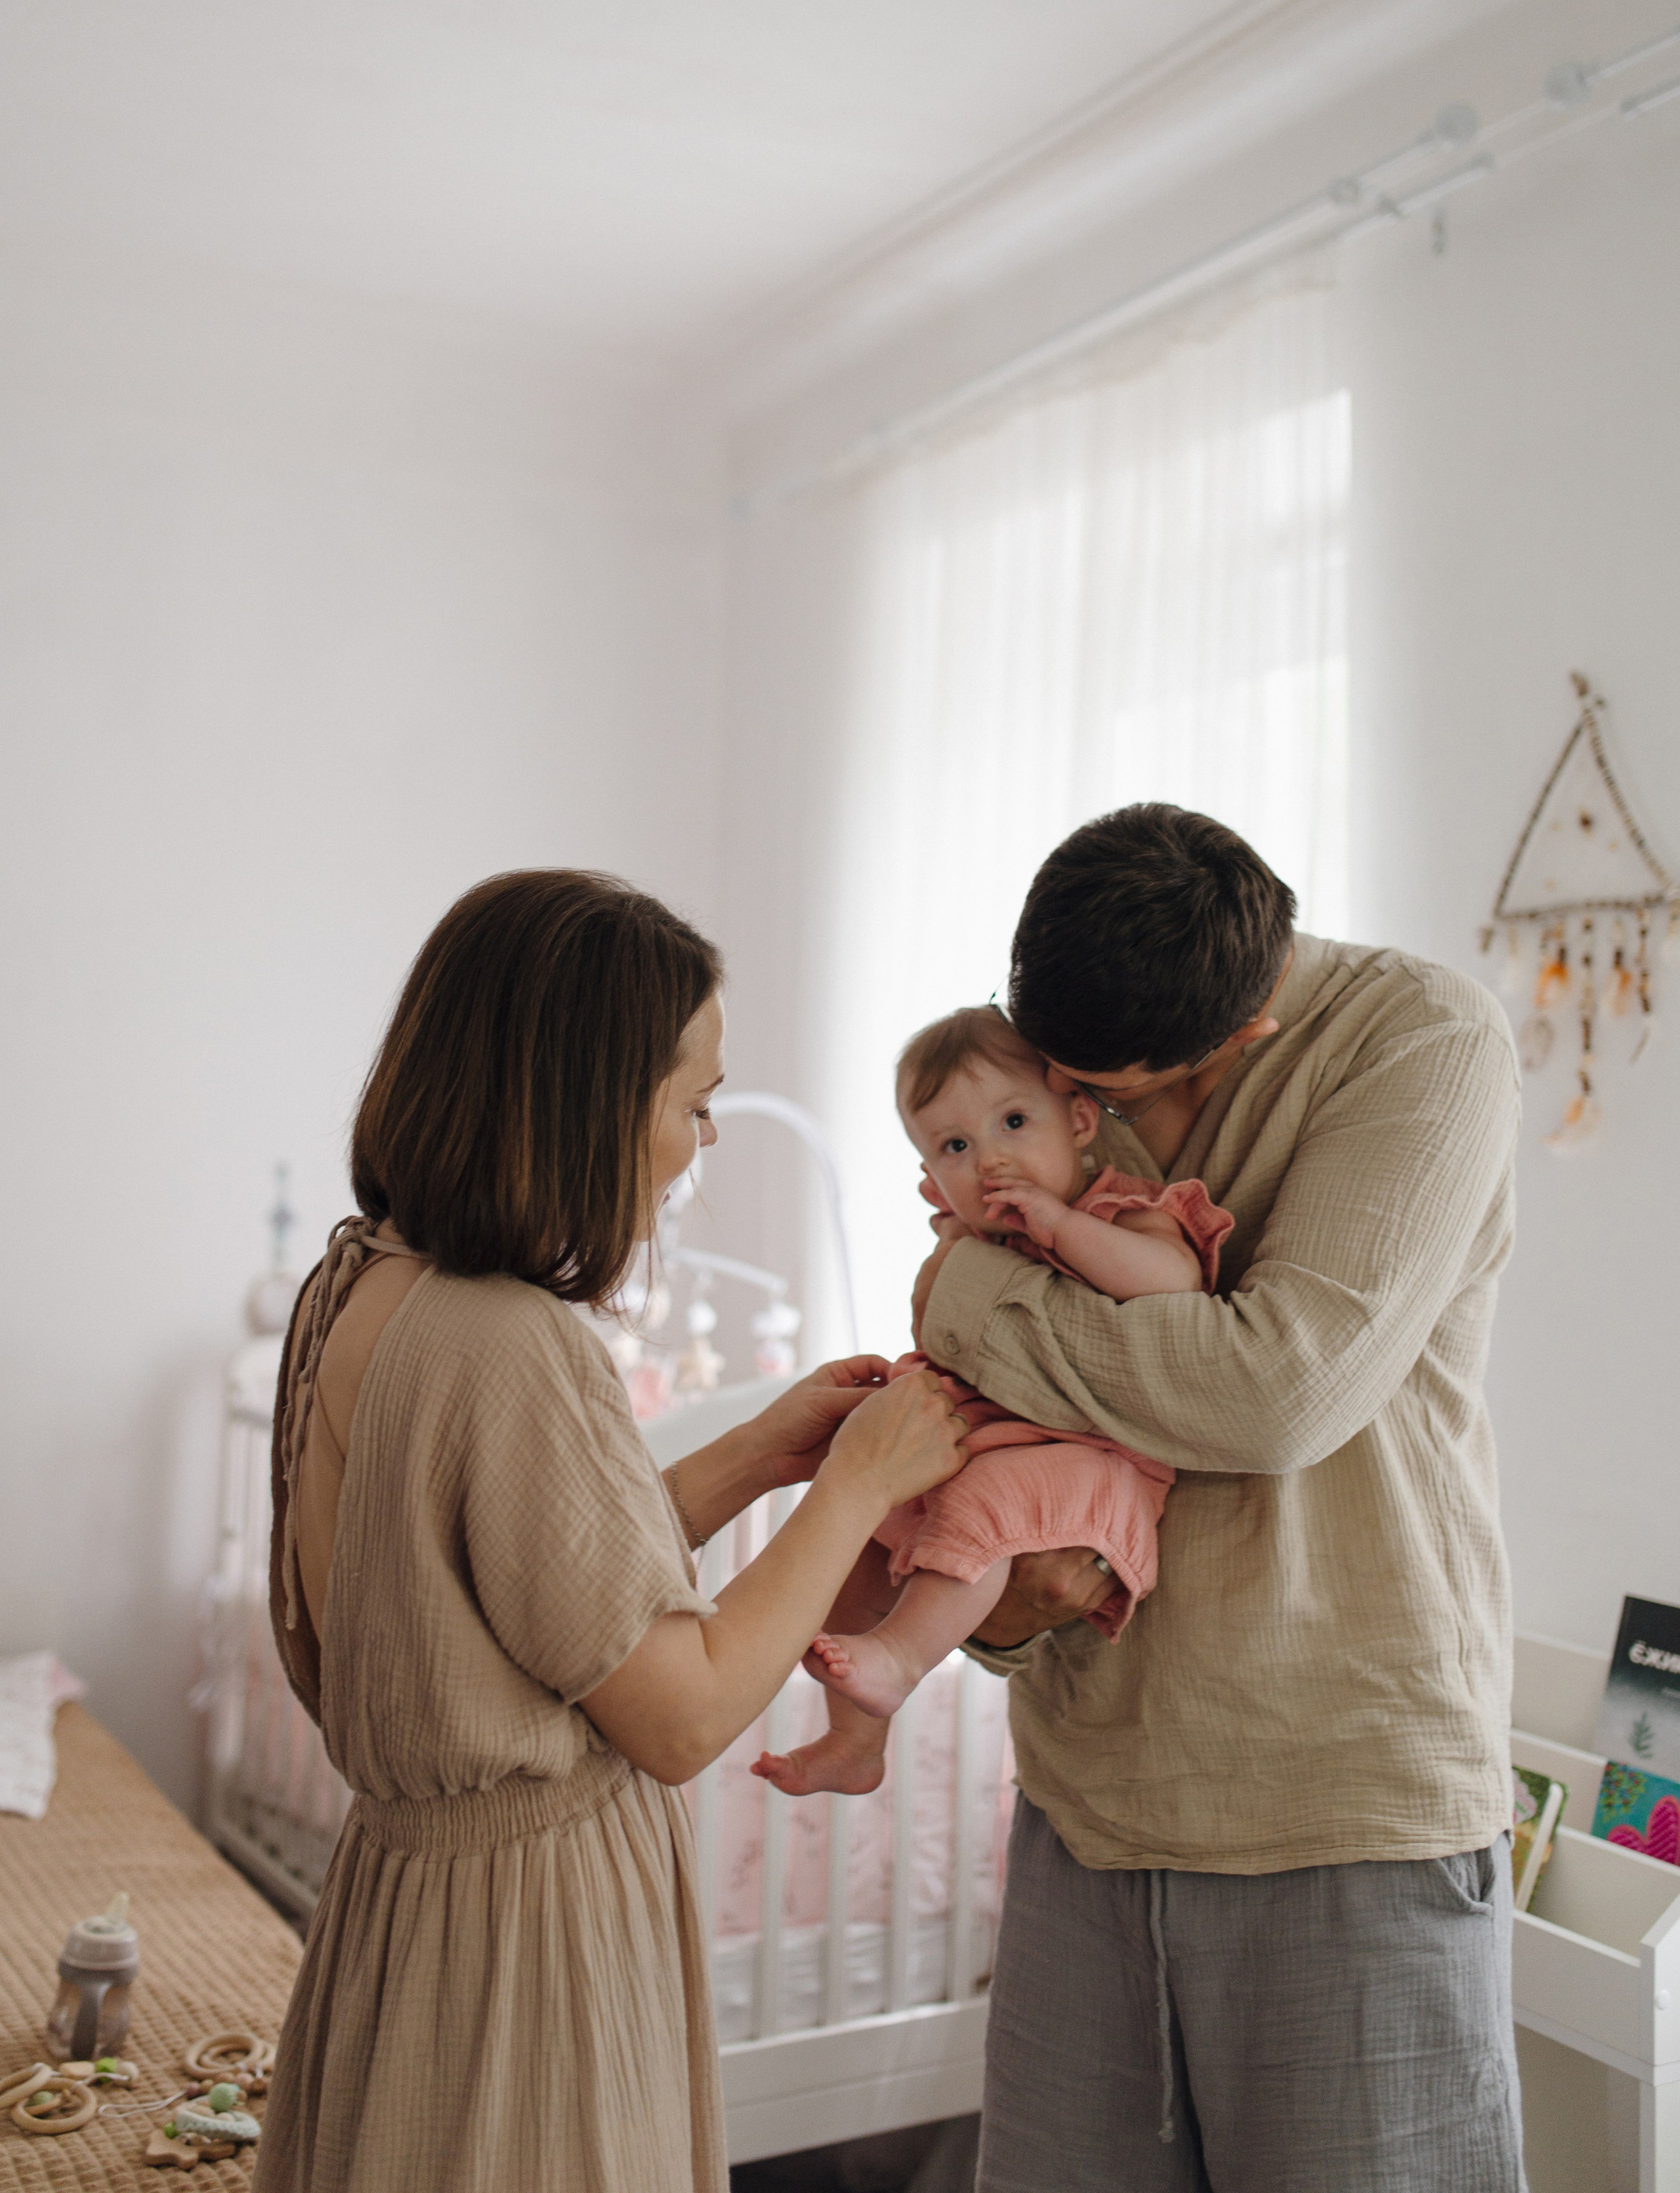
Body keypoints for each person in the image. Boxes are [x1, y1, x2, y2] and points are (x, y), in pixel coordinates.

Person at [254, 869, 968, 2193]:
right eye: (692, 1105)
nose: (703, 1143)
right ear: (584, 1102)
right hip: (527, 1942)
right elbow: (683, 1711)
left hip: (414, 1917)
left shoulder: (365, 1279)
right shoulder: (512, 1343)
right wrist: (855, 1486)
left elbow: (510, 1594)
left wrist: (755, 1457)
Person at [912, 805, 1526, 2193]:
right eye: (1068, 1085)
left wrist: (968, 1291)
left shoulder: (1420, 1043)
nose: (1086, 1120)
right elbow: (1003, 1414)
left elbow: (1274, 1398)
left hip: (1337, 1809)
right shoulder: (1066, 1045)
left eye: (1121, 1092)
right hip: (1090, 1799)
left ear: (1236, 1038)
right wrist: (1001, 1609)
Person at [752, 1005, 1228, 1798]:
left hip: (1093, 1466)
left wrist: (1060, 1224)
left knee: (983, 1499)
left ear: (1079, 1120)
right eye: (956, 1147)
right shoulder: (966, 1239)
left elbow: (1171, 1282)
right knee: (863, 1525)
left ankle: (901, 1661)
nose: (991, 1159)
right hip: (983, 1432)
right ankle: (852, 1738)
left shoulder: (1124, 1208)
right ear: (930, 1179)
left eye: (1013, 1121)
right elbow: (935, 1324)